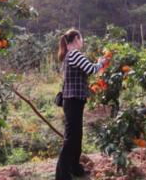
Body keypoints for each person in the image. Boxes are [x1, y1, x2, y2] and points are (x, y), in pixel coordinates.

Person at [55, 28, 108, 180]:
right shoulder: (74, 54)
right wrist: (101, 63)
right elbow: (90, 69)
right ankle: (62, 175)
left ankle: (75, 168)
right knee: (71, 138)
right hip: (72, 101)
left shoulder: (68, 55)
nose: (83, 41)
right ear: (76, 39)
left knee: (76, 136)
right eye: (82, 38)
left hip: (73, 100)